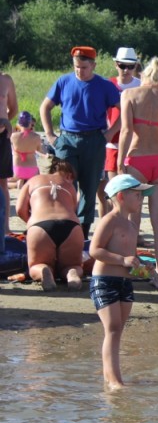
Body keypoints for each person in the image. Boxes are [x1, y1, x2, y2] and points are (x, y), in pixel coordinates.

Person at [40, 46, 121, 237]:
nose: (79, 71)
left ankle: (83, 231)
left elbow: (123, 111)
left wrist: (109, 134)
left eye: (84, 67)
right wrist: (50, 135)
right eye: (76, 66)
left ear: (93, 65)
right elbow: (45, 107)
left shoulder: (104, 85)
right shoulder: (64, 81)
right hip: (67, 139)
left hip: (94, 139)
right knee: (64, 184)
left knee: (89, 187)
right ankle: (64, 224)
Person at [118, 58, 158, 289]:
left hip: (137, 159)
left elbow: (125, 131)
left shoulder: (130, 95)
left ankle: (133, 269)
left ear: (143, 75)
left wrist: (118, 163)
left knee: (133, 220)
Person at [89, 174, 150, 389]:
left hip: (125, 282)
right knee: (113, 328)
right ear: (122, 196)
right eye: (137, 195)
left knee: (117, 330)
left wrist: (143, 267)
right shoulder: (110, 220)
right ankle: (115, 381)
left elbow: (131, 256)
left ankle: (111, 377)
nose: (141, 199)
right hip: (104, 280)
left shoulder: (132, 226)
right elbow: (94, 250)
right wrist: (122, 260)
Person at [15, 158, 84, 291]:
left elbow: (19, 209)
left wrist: (32, 224)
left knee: (36, 265)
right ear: (68, 175)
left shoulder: (33, 181)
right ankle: (71, 273)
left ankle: (43, 270)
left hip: (40, 225)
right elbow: (74, 210)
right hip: (71, 226)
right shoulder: (69, 186)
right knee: (73, 265)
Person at [100, 47, 141, 218]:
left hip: (135, 145)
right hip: (112, 143)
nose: (126, 70)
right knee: (114, 191)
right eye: (122, 65)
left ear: (135, 66)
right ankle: (112, 231)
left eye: (130, 66)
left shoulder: (140, 85)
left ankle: (133, 233)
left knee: (135, 192)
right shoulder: (108, 85)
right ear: (116, 64)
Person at [0, 70, 18, 234]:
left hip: (1, 137)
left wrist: (5, 121)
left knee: (3, 182)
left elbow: (13, 108)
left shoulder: (5, 79)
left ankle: (5, 226)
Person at [10, 112, 41, 188]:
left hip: (18, 170)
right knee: (37, 176)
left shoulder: (13, 136)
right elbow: (39, 150)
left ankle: (18, 183)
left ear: (19, 123)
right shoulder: (37, 137)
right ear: (30, 123)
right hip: (32, 170)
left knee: (4, 181)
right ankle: (26, 181)